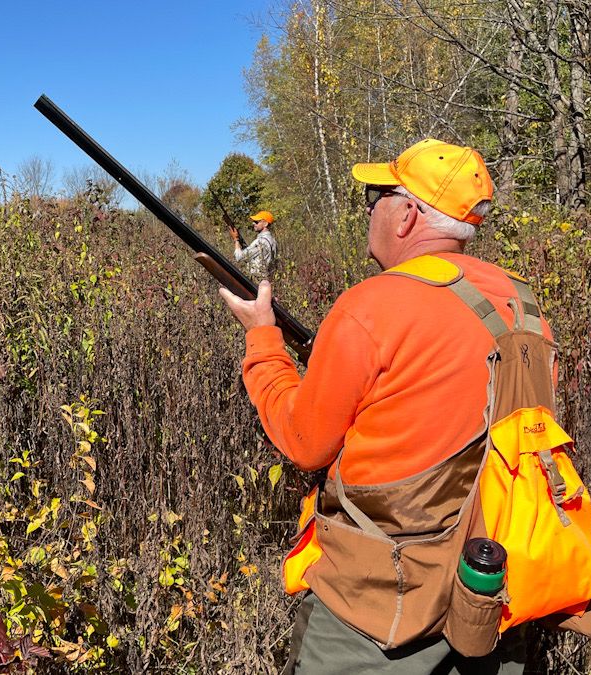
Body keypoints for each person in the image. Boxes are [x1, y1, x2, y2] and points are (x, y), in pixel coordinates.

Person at [217, 139, 535, 673]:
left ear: (408, 214)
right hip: (496, 593)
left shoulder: (373, 305)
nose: (368, 210)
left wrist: (262, 340)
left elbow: (304, 442)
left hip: (382, 611)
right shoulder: (523, 302)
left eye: (375, 196)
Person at [232, 210, 278, 279]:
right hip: (267, 279)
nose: (253, 223)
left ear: (265, 224)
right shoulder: (273, 241)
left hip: (256, 280)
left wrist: (236, 239)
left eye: (257, 222)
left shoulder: (261, 241)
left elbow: (239, 257)